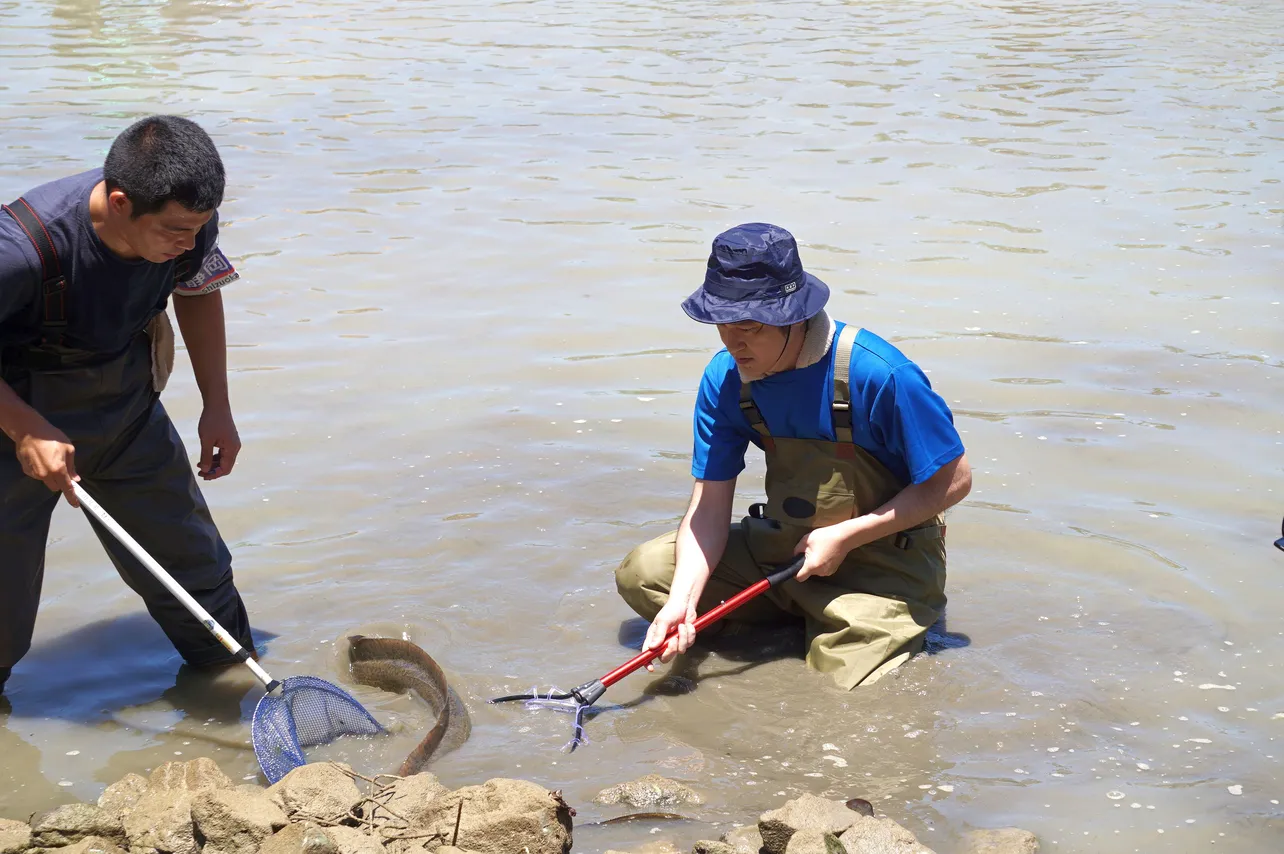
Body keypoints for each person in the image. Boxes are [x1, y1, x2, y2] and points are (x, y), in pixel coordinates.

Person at [615, 222, 972, 690]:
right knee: (646, 575)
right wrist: (682, 600)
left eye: (749, 326)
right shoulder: (726, 379)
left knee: (834, 689)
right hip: (785, 553)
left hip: (881, 563)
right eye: (721, 322)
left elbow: (955, 480)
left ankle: (845, 625)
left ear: (793, 317)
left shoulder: (879, 373)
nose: (731, 341)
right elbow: (710, 505)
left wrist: (848, 534)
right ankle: (791, 620)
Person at [0, 115, 255, 695]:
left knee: (196, 573)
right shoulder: (20, 249)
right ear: (119, 203)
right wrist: (24, 429)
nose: (188, 242)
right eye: (175, 231)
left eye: (200, 226)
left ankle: (237, 696)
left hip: (124, 409)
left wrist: (218, 406)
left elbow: (197, 290)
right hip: (12, 420)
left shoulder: (188, 226)